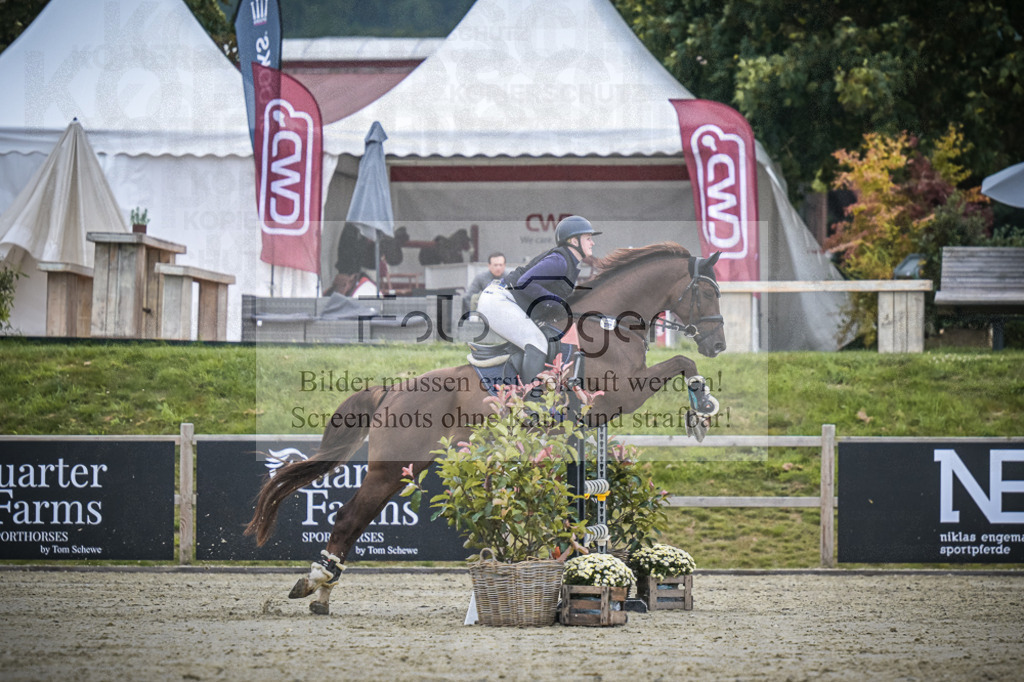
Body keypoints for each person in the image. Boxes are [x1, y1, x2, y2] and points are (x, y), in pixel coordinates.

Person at [476, 215, 599, 385]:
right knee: (537, 343)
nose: (592, 243)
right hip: (498, 301)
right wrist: (557, 303)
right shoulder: (560, 261)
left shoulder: (568, 263)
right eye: (588, 238)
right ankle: (531, 401)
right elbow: (525, 283)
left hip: (507, 300)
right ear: (574, 241)